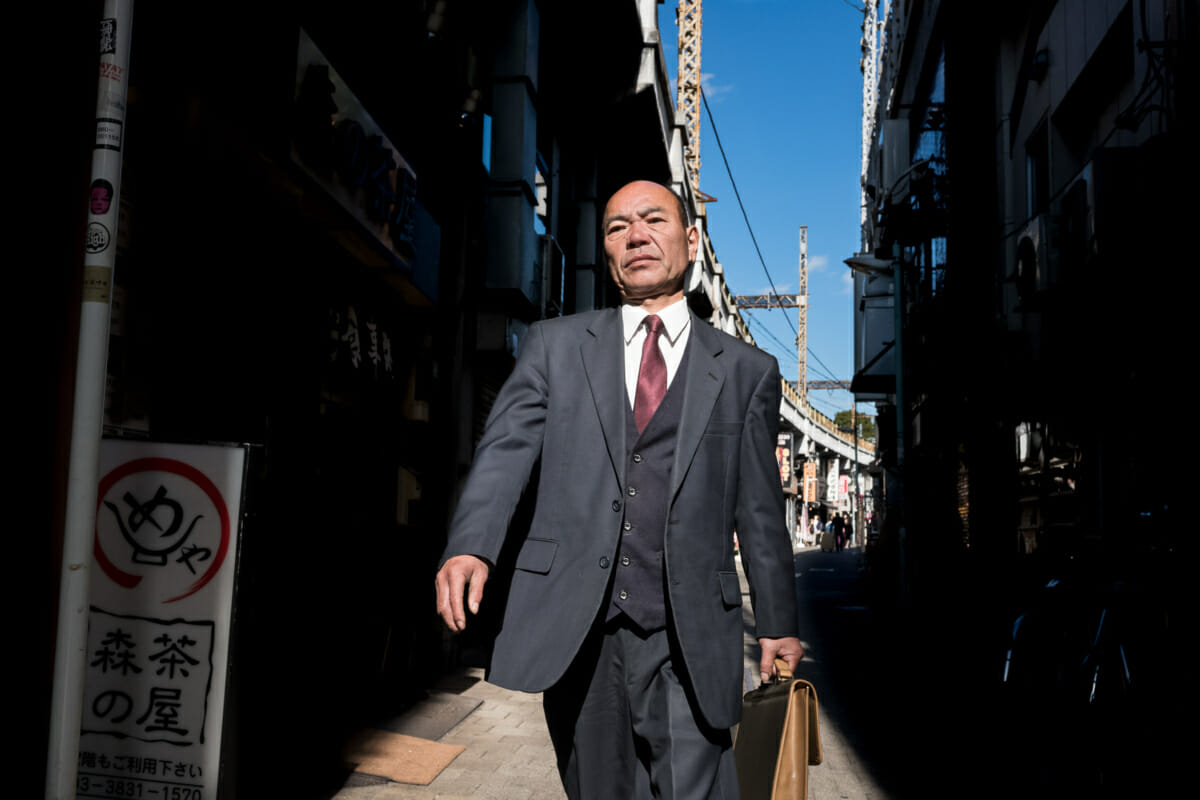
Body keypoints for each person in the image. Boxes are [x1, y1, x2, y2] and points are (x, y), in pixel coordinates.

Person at [435, 179, 803, 799]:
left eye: (653, 220)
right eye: (616, 227)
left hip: (692, 638)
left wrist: (778, 621)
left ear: (691, 240)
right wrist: (471, 544)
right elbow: (503, 452)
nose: (635, 236)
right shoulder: (555, 347)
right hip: (582, 632)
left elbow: (761, 510)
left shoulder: (746, 372)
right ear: (606, 252)